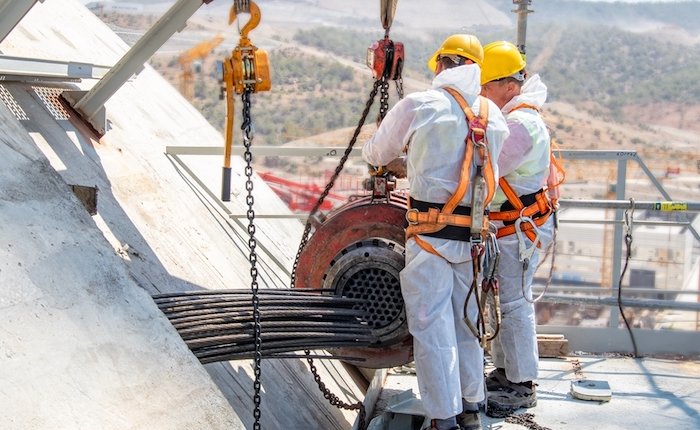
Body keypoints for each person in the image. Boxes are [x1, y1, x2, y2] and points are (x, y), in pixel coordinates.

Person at [363, 34, 509, 430]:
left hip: (430, 238)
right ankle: (471, 410)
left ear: (442, 65)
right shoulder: (493, 115)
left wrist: (399, 159)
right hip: (474, 239)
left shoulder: (421, 104)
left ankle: (443, 418)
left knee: (431, 326)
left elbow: (377, 152)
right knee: (467, 322)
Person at [478, 40, 556, 413]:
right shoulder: (517, 118)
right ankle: (506, 371)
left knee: (513, 305)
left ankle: (521, 384)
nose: (482, 94)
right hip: (512, 229)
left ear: (508, 86)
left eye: (486, 87)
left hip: (518, 231)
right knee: (502, 303)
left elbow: (488, 166)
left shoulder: (521, 125)